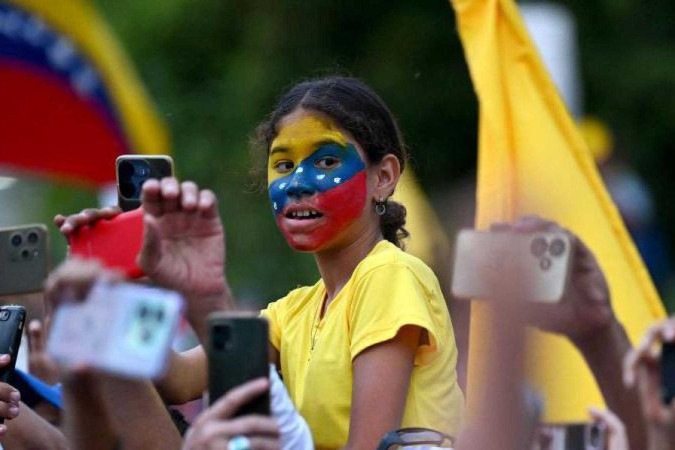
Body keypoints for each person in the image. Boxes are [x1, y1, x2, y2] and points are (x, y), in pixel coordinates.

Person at [57, 76, 464, 449]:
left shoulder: (389, 275)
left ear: (384, 177)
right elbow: (175, 380)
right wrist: (119, 285)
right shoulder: (294, 311)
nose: (297, 183)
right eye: (284, 165)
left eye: (325, 162)